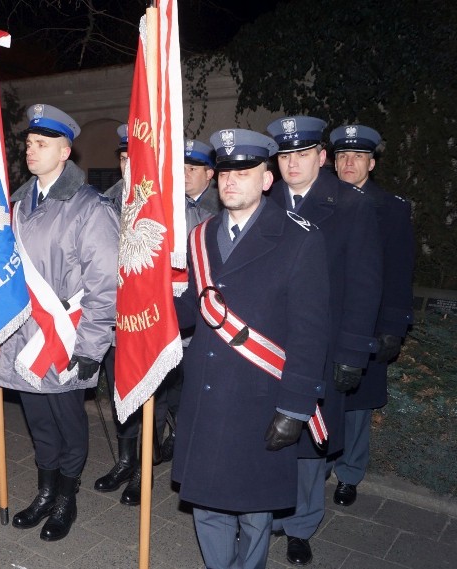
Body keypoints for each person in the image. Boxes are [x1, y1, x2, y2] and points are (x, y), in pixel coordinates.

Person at [172, 128, 330, 569]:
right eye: (225, 171)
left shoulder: (299, 239)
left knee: (254, 512)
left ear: (266, 179)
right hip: (206, 394)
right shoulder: (201, 237)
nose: (230, 180)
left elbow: (310, 334)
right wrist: (146, 319)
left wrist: (295, 409)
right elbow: (194, 305)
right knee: (206, 506)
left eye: (244, 170)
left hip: (260, 398)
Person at [266, 117, 382, 566]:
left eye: (302, 154)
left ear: (321, 157)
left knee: (311, 441)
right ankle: (269, 514)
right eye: (286, 155)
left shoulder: (351, 208)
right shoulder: (262, 200)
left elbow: (364, 286)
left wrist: (354, 352)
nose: (293, 163)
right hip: (268, 345)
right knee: (271, 433)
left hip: (324, 344)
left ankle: (301, 525)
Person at [0, 104, 118, 541]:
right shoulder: (15, 203)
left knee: (68, 423)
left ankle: (67, 498)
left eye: (42, 144)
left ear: (65, 151)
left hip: (65, 336)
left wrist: (91, 347)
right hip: (24, 338)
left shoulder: (90, 207)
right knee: (40, 424)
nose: (31, 151)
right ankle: (45, 491)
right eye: (29, 143)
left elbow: (105, 284)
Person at [329, 125, 414, 507]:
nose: (349, 163)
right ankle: (318, 464)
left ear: (372, 163)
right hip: (324, 321)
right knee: (321, 396)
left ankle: (349, 473)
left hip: (370, 322)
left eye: (358, 156)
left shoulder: (391, 209)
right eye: (343, 156)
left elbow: (400, 271)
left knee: (358, 403)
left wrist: (394, 326)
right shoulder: (318, 201)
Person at [154, 137, 221, 463]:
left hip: (205, 311)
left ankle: (186, 438)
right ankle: (154, 446)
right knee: (164, 382)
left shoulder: (222, 211)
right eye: (180, 168)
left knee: (193, 385)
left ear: (210, 174)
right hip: (169, 308)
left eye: (192, 168)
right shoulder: (164, 208)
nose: (184, 174)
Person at [93, 124, 144, 505]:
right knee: (119, 393)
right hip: (113, 317)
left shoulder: (163, 202)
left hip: (148, 319)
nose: (129, 164)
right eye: (124, 157)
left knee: (147, 395)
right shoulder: (104, 202)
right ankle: (125, 460)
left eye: (135, 156)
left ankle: (144, 469)